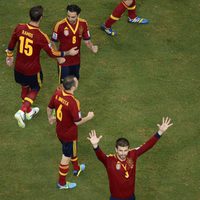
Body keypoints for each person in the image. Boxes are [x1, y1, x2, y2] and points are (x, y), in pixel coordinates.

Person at [6, 5, 78, 128]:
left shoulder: (19, 27)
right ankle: (22, 110)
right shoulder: (40, 35)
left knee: (24, 86)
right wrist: (67, 53)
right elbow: (52, 53)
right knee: (35, 88)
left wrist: (9, 55)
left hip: (18, 68)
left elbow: (12, 41)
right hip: (33, 70)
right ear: (41, 18)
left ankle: (28, 112)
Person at [87, 117, 173, 200]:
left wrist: (160, 132)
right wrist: (95, 146)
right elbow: (100, 156)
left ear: (128, 149)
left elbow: (147, 145)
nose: (123, 153)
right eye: (120, 150)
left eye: (125, 150)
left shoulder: (133, 154)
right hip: (116, 198)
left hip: (130, 197)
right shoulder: (110, 160)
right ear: (116, 149)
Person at [47, 76, 94, 189]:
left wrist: (50, 118)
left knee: (73, 150)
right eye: (76, 81)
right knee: (66, 157)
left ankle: (76, 168)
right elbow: (77, 122)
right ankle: (61, 183)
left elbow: (49, 107)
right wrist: (88, 117)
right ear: (73, 86)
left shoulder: (57, 93)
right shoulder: (73, 102)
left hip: (60, 131)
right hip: (69, 135)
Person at [51, 4, 98, 82]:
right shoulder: (59, 25)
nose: (70, 19)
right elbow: (52, 43)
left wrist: (92, 47)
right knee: (63, 85)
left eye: (73, 17)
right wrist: (58, 58)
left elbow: (87, 41)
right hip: (64, 61)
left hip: (76, 60)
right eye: (68, 16)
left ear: (78, 15)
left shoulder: (83, 23)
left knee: (74, 83)